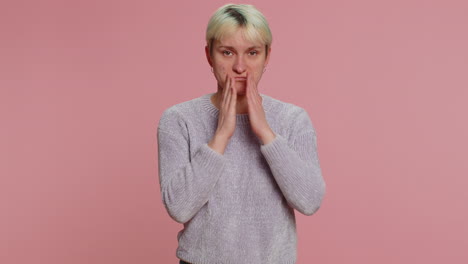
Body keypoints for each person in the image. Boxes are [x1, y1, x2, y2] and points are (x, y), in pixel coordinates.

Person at [157, 4, 326, 264]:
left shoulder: (293, 119)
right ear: (209, 55)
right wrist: (221, 137)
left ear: (267, 56)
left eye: (252, 53)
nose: (240, 66)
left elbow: (310, 201)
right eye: (227, 52)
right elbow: (179, 207)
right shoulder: (179, 120)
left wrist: (266, 133)